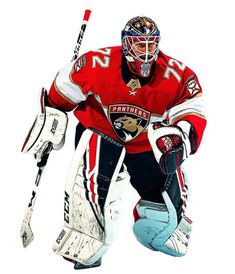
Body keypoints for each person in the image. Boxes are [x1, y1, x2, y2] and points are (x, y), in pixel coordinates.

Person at [22, 16, 206, 269]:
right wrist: (50, 121)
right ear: (126, 43)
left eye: (151, 45)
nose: (146, 52)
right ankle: (87, 237)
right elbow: (61, 94)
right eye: (139, 45)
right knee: (92, 191)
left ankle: (162, 223)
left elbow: (192, 108)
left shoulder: (176, 74)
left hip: (144, 143)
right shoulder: (96, 63)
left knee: (164, 218)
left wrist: (181, 135)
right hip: (100, 133)